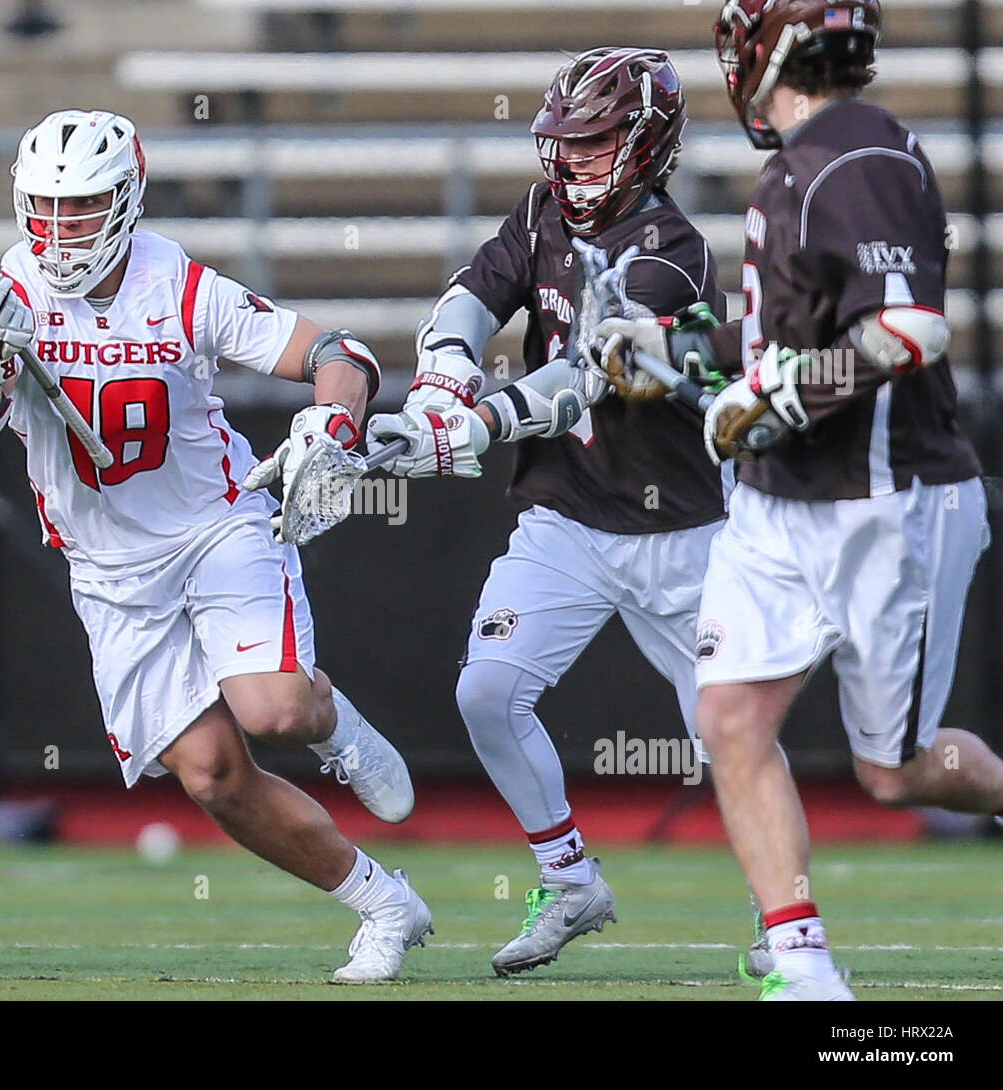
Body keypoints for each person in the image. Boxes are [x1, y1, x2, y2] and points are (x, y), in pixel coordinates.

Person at [0, 109, 430, 983]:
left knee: (274, 712)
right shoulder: (3, 295)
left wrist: (336, 420)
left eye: (81, 207)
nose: (59, 229)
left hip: (216, 529)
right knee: (210, 776)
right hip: (110, 573)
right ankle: (383, 904)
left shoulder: (178, 284)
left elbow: (337, 350)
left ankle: (332, 722)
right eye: (45, 207)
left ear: (127, 201)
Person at [595, 0, 1003, 999]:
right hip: (781, 503)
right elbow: (791, 331)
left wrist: (779, 396)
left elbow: (907, 329)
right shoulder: (805, 160)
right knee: (729, 715)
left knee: (893, 772)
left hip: (883, 502)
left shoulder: (856, 154)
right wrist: (683, 347)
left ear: (763, 46)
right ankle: (800, 963)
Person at [367, 48, 728, 976]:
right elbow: (471, 295)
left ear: (648, 145)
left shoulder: (671, 255)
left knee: (733, 737)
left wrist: (479, 419)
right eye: (565, 143)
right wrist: (446, 371)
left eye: (598, 141)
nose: (572, 163)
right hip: (566, 514)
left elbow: (586, 379)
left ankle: (787, 921)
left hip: (679, 530)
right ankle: (570, 880)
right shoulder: (539, 215)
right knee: (487, 691)